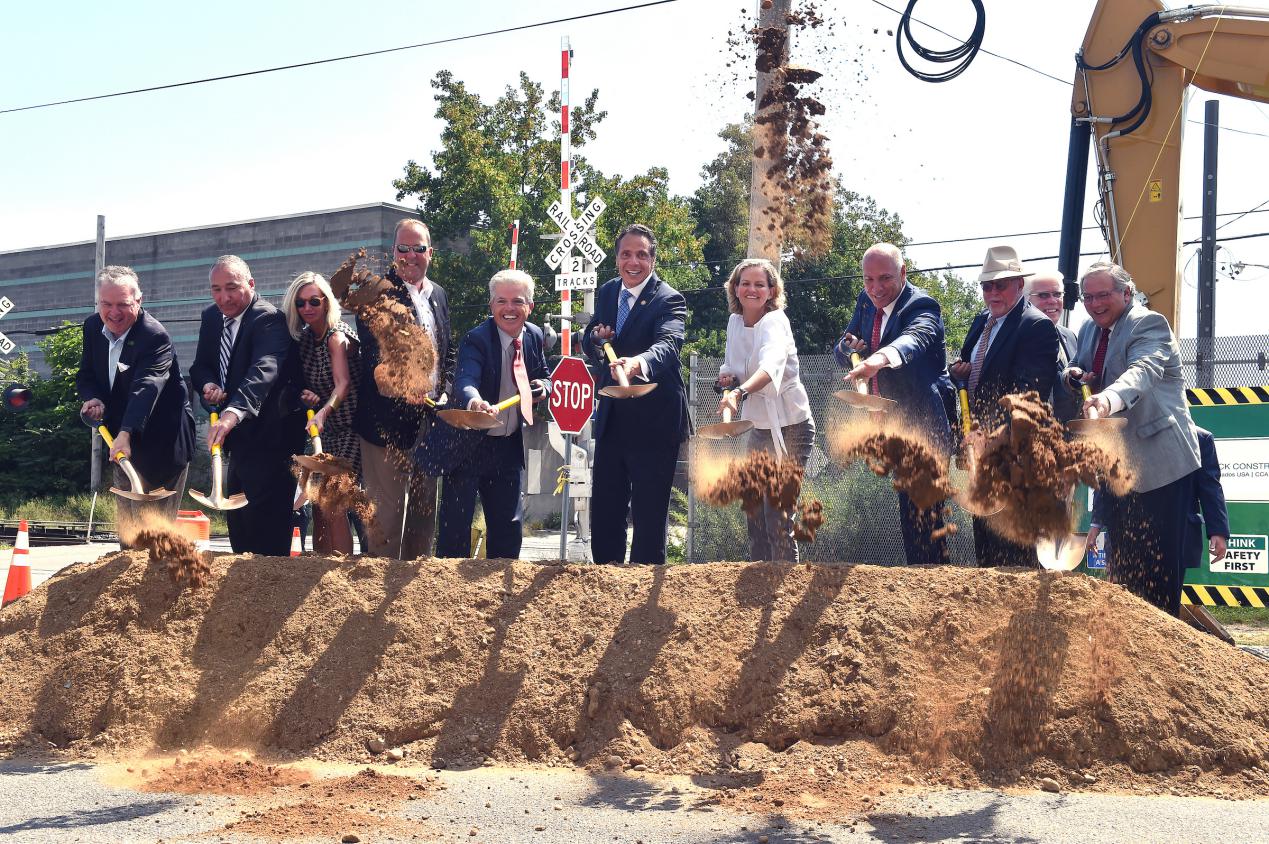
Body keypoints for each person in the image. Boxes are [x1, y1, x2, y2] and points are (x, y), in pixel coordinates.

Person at [1064, 261, 1201, 615]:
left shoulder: (1148, 324)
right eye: (1088, 297)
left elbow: (1142, 371)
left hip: (1161, 466)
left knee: (1159, 570)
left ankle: (1163, 641)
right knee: (1123, 568)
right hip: (1117, 466)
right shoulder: (1090, 329)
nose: (1095, 304)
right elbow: (1079, 366)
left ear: (1126, 293)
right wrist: (1074, 375)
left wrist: (1106, 400)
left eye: (1103, 295)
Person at [580, 224, 691, 564]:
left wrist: (638, 363)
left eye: (641, 255)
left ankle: (643, 582)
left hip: (655, 420)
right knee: (606, 507)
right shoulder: (608, 291)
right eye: (626, 254)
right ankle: (605, 577)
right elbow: (591, 335)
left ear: (653, 260)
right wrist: (595, 338)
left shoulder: (668, 298)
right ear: (616, 259)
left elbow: (668, 345)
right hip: (613, 416)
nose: (633, 262)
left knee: (648, 514)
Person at [836, 243, 952, 565]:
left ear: (903, 272)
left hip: (925, 428)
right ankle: (919, 579)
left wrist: (877, 359)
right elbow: (843, 345)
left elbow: (914, 339)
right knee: (910, 519)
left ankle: (934, 583)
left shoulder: (922, 305)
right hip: (891, 428)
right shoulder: (865, 302)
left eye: (885, 278)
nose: (875, 288)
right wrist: (849, 350)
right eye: (868, 280)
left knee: (925, 519)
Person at [948, 246, 1057, 568]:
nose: (993, 293)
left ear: (1020, 285)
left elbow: (1028, 402)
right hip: (980, 453)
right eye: (987, 286)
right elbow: (972, 372)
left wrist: (992, 439)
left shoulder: (1035, 327)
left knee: (1015, 552)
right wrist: (959, 373)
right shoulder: (981, 321)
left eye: (1001, 285)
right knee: (986, 546)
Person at [190, 255, 304, 556]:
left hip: (272, 438)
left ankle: (271, 581)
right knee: (240, 525)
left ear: (251, 284)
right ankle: (242, 581)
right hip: (238, 442)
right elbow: (200, 366)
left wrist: (231, 413)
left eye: (232, 287)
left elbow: (263, 370)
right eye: (216, 289)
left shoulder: (269, 319)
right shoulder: (211, 317)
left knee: (267, 531)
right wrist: (208, 386)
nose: (224, 298)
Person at [354, 218, 454, 560]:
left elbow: (447, 350)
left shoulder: (439, 294)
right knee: (386, 519)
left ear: (431, 253)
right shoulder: (375, 293)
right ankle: (375, 584)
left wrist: (445, 390)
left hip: (430, 421)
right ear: (393, 252)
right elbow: (374, 354)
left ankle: (412, 586)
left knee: (423, 518)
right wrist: (404, 385)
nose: (411, 256)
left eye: (419, 249)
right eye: (403, 249)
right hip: (385, 423)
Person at [435, 270, 549, 559]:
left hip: (508, 447)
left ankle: (500, 585)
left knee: (508, 531)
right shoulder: (476, 339)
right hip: (468, 446)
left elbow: (545, 376)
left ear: (530, 306)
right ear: (491, 305)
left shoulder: (534, 336)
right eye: (501, 301)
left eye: (517, 301)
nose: (509, 309)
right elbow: (465, 379)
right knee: (455, 531)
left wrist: (543, 387)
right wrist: (475, 402)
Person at [77, 266, 195, 543]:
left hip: (162, 443)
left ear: (138, 300)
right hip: (121, 441)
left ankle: (165, 567)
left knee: (154, 538)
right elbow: (86, 375)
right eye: (106, 304)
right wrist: (93, 397)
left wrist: (127, 432)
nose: (113, 313)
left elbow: (147, 387)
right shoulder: (93, 327)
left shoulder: (154, 336)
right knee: (129, 534)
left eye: (122, 304)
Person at [715, 258, 815, 562]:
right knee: (755, 511)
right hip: (759, 427)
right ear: (735, 288)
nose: (752, 289)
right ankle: (758, 578)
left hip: (792, 427)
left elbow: (771, 368)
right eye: (745, 283)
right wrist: (727, 380)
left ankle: (784, 582)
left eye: (760, 284)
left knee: (778, 515)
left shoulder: (775, 321)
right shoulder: (734, 322)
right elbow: (732, 365)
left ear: (772, 291)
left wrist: (740, 392)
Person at [283, 270, 361, 554]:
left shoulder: (336, 336)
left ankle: (339, 567)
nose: (307, 308)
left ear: (326, 302)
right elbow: (302, 382)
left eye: (314, 301)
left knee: (333, 501)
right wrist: (308, 395)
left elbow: (343, 384)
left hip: (349, 430)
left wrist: (324, 411)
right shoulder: (304, 340)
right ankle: (320, 564)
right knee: (317, 502)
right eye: (301, 303)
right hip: (323, 432)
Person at [1027, 271, 1080, 424]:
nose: (1052, 301)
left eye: (1057, 294)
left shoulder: (1070, 336)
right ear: (1026, 299)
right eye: (1043, 295)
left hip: (1072, 431)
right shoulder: (1017, 337)